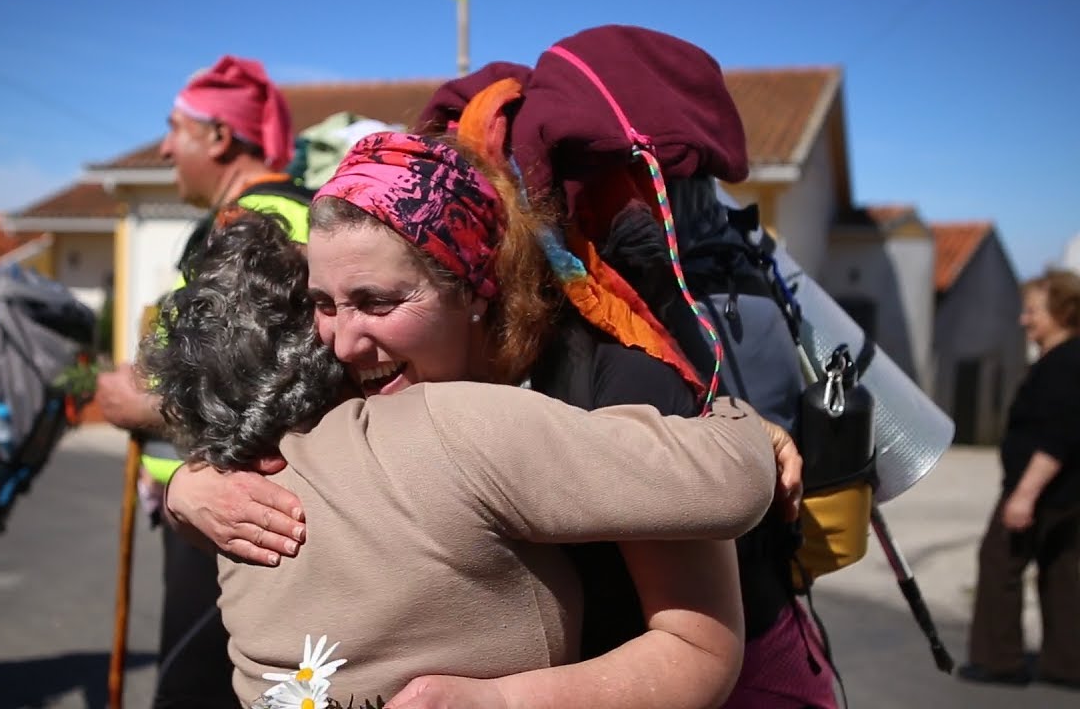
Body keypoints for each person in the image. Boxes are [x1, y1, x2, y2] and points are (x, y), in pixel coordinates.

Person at [164, 132, 799, 708]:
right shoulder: (357, 385)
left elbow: (699, 652)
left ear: (473, 288)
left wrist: (505, 703)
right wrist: (189, 488)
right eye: (323, 304)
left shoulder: (616, 386)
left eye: (377, 302)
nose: (342, 342)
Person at [93, 54, 313, 709]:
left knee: (194, 691)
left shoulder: (244, 226)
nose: (164, 147)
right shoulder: (299, 210)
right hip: (242, 504)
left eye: (176, 129)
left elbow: (244, 393)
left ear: (219, 138)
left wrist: (137, 402)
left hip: (228, 516)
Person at [959, 269, 1080, 689]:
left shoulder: (1063, 365)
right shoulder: (1069, 360)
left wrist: (1024, 495)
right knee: (1064, 571)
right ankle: (1068, 664)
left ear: (1062, 313)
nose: (1023, 320)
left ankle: (1000, 661)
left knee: (1000, 563)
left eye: (1032, 311)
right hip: (1068, 493)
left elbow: (1057, 437)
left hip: (1044, 490)